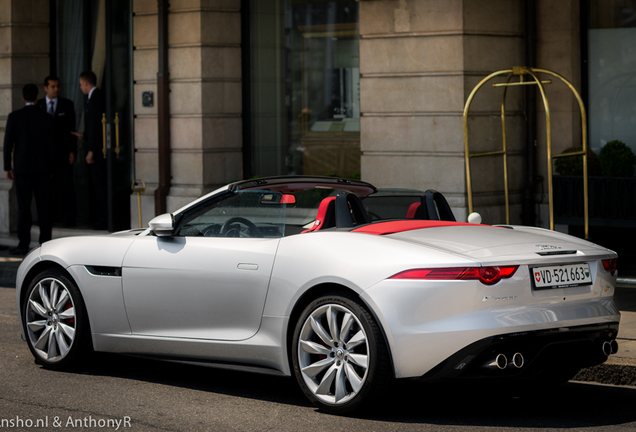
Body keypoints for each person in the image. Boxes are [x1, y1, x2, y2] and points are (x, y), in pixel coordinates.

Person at [3, 84, 55, 255]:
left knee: (23, 207)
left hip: (22, 169)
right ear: (37, 96)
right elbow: (51, 147)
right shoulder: (46, 117)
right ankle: (45, 244)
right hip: (42, 170)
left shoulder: (14, 117)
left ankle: (23, 244)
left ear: (24, 98)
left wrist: (7, 167)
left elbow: (8, 145)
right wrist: (52, 169)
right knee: (44, 208)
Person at [36, 75, 77, 227]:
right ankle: (49, 218)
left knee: (65, 186)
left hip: (62, 153)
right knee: (46, 188)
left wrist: (72, 151)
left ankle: (68, 218)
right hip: (44, 155)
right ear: (46, 88)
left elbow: (71, 130)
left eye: (57, 86)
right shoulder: (39, 105)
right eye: (52, 86)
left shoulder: (67, 104)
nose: (56, 89)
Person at [74, 70, 107, 230]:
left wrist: (91, 150)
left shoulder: (95, 98)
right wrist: (83, 135)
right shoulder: (95, 97)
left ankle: (103, 220)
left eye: (81, 84)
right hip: (97, 146)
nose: (80, 88)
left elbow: (96, 126)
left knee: (99, 185)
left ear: (86, 83)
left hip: (98, 151)